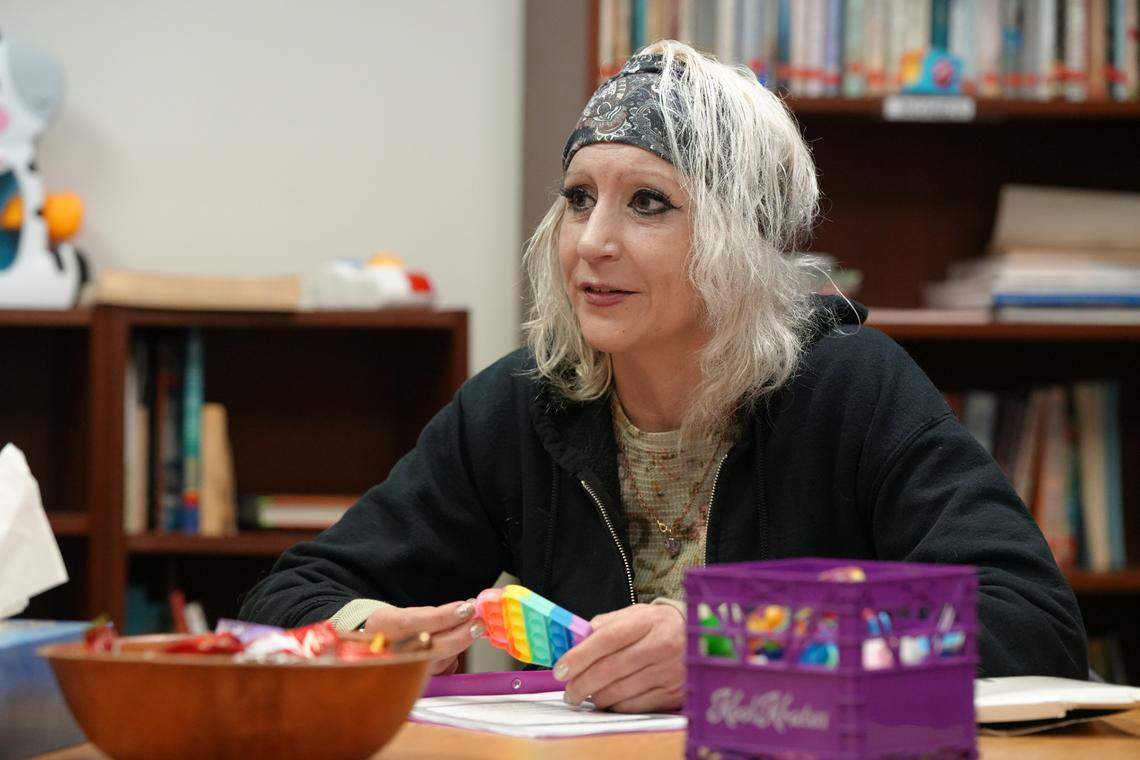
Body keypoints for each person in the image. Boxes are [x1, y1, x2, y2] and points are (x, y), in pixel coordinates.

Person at [239, 40, 1087, 712]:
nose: (591, 242)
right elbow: (287, 596)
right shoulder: (524, 401)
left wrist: (734, 643)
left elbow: (1030, 625)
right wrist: (362, 633)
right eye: (578, 198)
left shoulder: (850, 386)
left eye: (648, 203)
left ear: (739, 237)